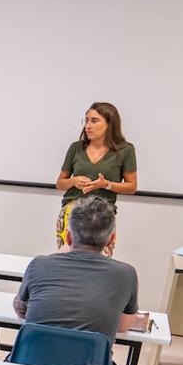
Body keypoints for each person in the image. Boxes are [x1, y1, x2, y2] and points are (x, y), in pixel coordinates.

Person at [14, 195, 147, 346]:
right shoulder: (126, 274)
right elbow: (123, 326)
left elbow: (21, 310)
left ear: (69, 237)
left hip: (32, 364)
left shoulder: (39, 264)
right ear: (111, 239)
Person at [54, 102, 136, 252]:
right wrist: (73, 181)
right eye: (86, 120)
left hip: (103, 215)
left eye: (94, 120)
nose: (88, 126)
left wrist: (106, 185)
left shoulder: (126, 150)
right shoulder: (76, 148)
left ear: (110, 124)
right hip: (73, 212)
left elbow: (132, 186)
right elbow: (60, 184)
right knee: (67, 262)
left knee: (99, 265)